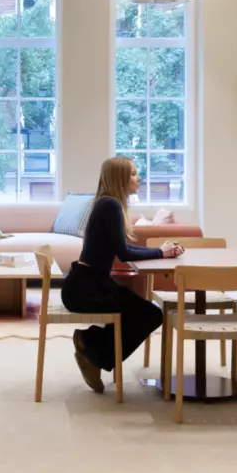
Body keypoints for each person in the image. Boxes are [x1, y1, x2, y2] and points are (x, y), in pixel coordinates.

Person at [60, 156, 184, 394]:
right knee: (150, 314)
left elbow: (125, 248)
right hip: (86, 289)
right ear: (120, 178)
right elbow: (124, 253)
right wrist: (160, 251)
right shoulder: (110, 205)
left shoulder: (107, 204)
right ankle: (92, 353)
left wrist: (162, 252)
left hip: (89, 284)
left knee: (144, 311)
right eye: (133, 173)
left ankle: (90, 342)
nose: (138, 178)